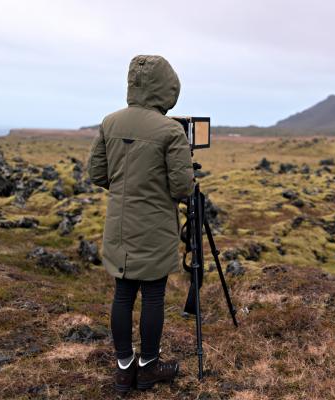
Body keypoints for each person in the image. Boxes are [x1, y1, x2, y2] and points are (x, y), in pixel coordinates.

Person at [87, 55, 194, 393]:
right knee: (153, 295)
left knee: (122, 293)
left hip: (119, 223)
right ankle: (148, 367)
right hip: (156, 225)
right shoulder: (170, 131)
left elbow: (96, 174)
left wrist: (125, 190)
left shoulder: (110, 122)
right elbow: (181, 187)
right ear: (167, 88)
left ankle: (123, 369)